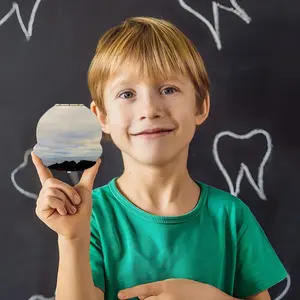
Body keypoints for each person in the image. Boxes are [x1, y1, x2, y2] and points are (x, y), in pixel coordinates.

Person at [31, 16, 288, 300]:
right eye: (127, 93)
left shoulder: (231, 217)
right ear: (101, 117)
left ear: (200, 106)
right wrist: (72, 239)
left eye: (168, 89)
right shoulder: (91, 217)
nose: (150, 109)